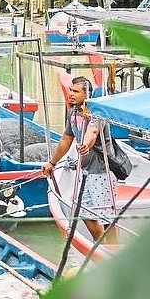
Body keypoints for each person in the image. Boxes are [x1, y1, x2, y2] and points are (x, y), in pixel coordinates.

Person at [42, 76, 117, 244]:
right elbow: (66, 140)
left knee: (107, 218)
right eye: (70, 90)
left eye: (76, 91)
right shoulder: (73, 113)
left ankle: (114, 251)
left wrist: (85, 145)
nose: (71, 94)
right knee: (82, 210)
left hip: (101, 172)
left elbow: (93, 132)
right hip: (84, 172)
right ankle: (100, 243)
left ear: (86, 94)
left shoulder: (97, 113)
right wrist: (52, 162)